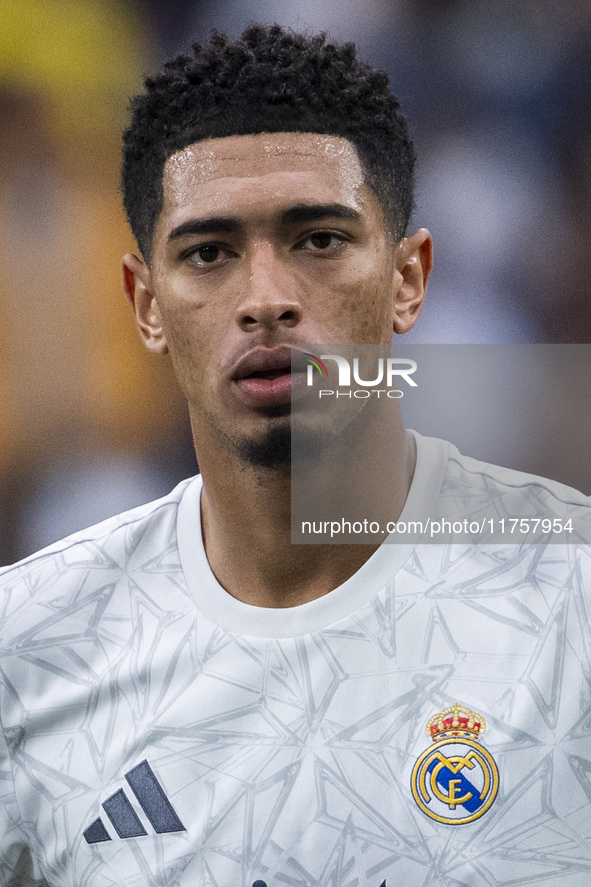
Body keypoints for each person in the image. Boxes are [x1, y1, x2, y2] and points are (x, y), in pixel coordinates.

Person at [1, 24, 590, 887]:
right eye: (208, 253)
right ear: (145, 304)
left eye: (318, 239)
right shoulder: (29, 649)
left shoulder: (572, 606)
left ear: (407, 279)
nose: (267, 300)